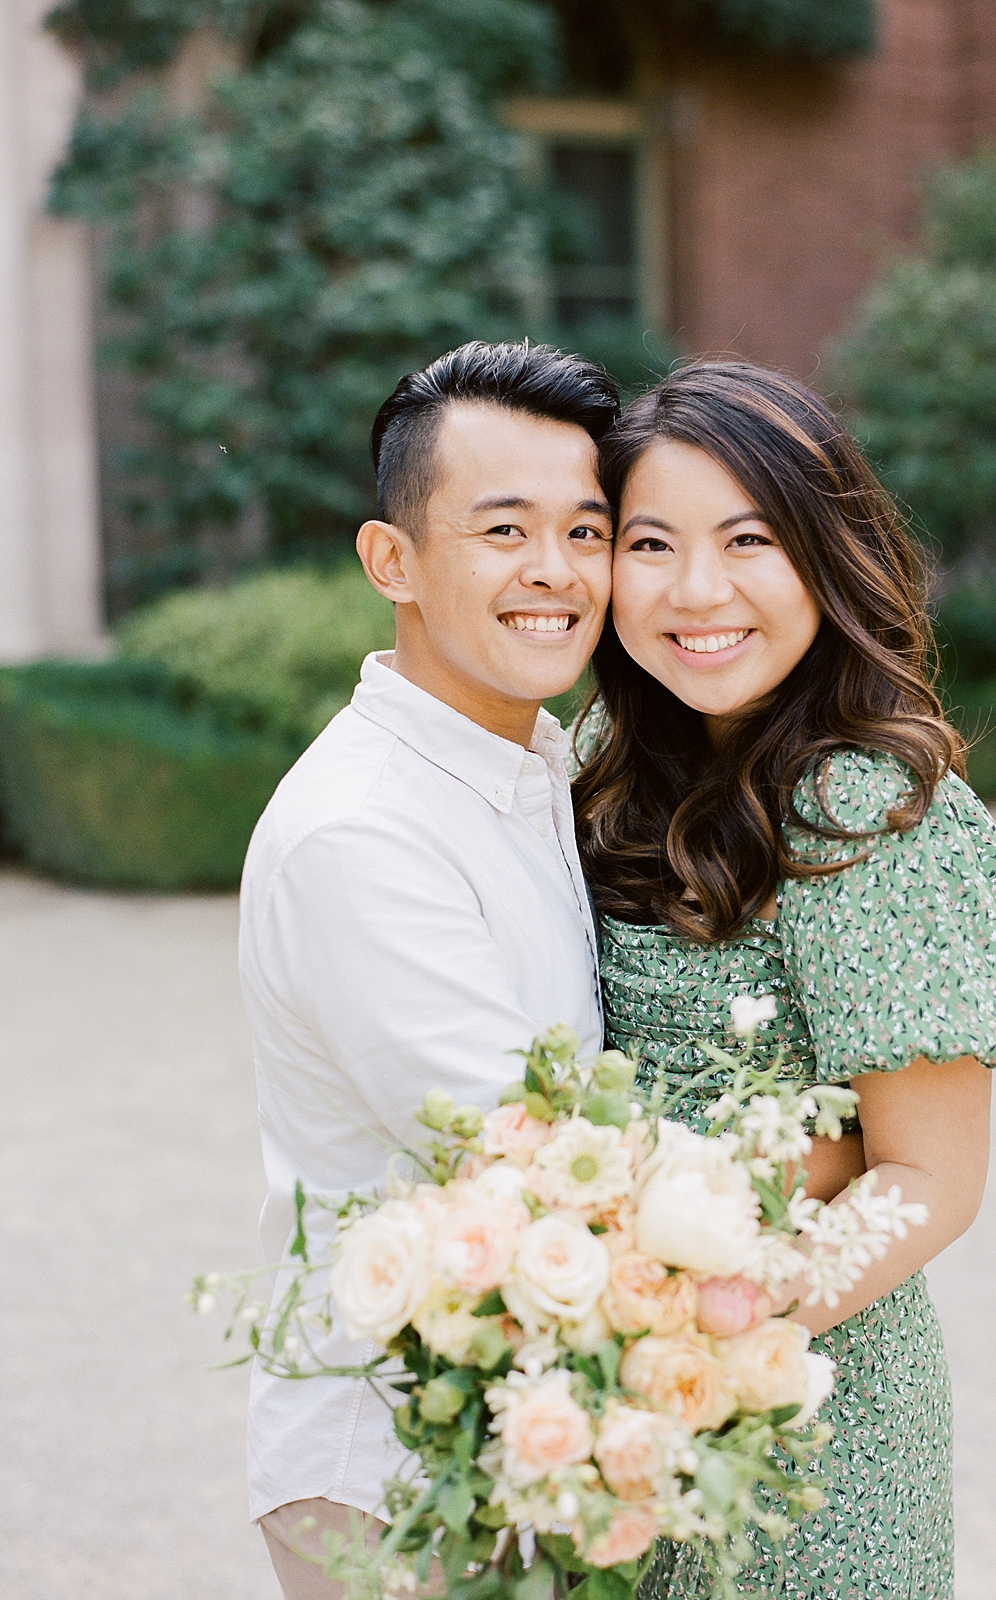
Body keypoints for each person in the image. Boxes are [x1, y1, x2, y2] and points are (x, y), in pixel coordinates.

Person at [570, 361, 996, 1600]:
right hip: (608, 1405)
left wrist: (691, 1348)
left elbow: (927, 1179)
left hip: (810, 1425)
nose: (698, 591)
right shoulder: (600, 762)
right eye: (651, 543)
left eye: (749, 539)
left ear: (824, 553)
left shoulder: (861, 800)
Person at [238, 340, 621, 1599]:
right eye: (504, 529)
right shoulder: (365, 829)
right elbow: (527, 1157)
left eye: (587, 530)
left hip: (518, 1451)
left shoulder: (534, 764)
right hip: (394, 1479)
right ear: (390, 560)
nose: (555, 572)